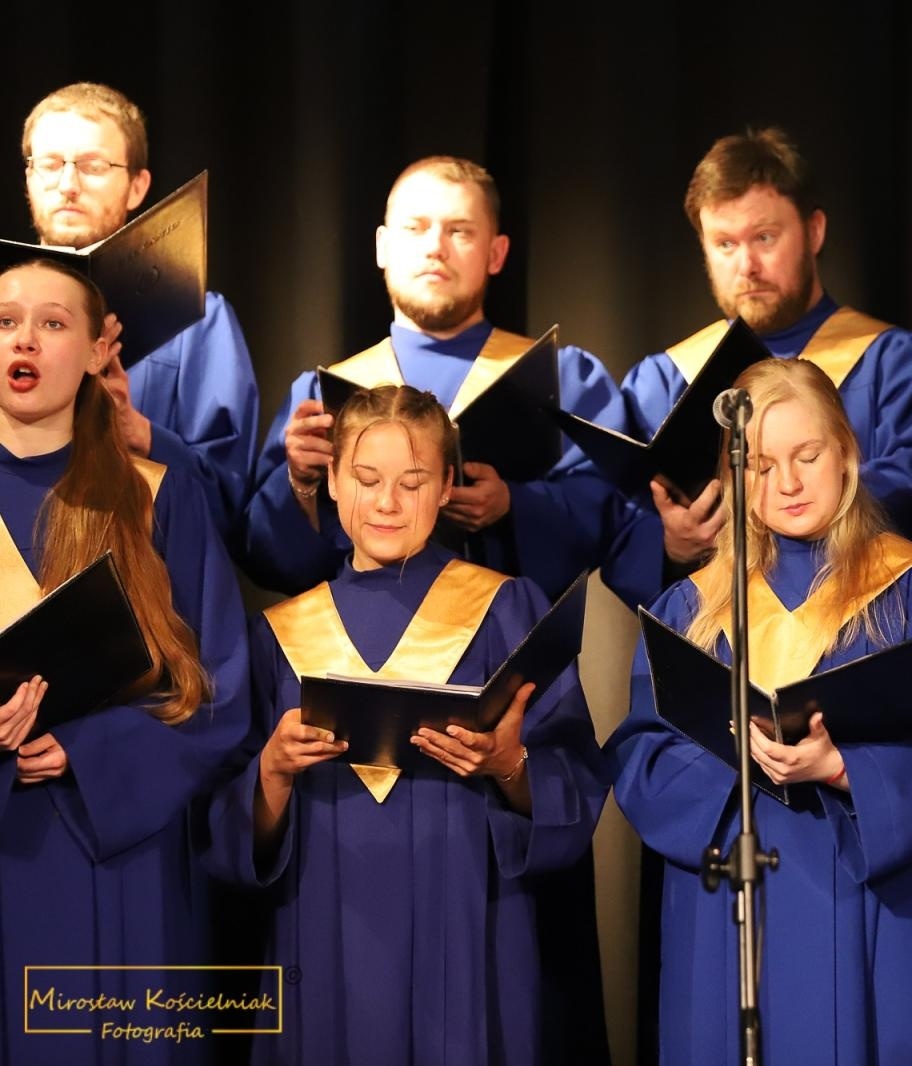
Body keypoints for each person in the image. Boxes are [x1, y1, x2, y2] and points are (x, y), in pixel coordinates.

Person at [607, 357, 912, 1065]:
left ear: (847, 454)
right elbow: (642, 753)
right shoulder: (691, 610)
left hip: (874, 897)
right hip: (734, 893)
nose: (785, 483)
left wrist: (846, 767)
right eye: (759, 464)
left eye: (806, 455)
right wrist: (734, 762)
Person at [207, 384, 607, 1065]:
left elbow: (574, 778)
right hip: (321, 917)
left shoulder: (506, 610)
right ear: (330, 480)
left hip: (470, 914)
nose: (387, 502)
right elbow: (224, 828)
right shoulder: (280, 635)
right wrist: (272, 770)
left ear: (447, 484)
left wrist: (509, 766)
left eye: (412, 481)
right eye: (365, 479)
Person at [0, 259, 249, 1065]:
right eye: (4, 322)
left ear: (97, 351)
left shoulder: (154, 495)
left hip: (116, 850)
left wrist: (88, 748)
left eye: (52, 322)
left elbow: (219, 689)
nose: (24, 340)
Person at [241, 154, 631, 605]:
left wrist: (513, 505)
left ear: (497, 253)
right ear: (382, 247)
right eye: (415, 228)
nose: (435, 248)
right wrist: (301, 483)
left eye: (460, 230)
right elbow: (268, 558)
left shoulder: (563, 379)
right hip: (363, 656)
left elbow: (611, 516)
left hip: (512, 650)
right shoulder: (323, 393)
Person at [603, 126, 912, 608]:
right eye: (725, 244)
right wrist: (671, 542)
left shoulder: (892, 360)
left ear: (814, 231)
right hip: (716, 640)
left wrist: (785, 506)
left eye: (765, 237)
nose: (747, 265)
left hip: (860, 621)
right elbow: (616, 528)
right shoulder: (662, 381)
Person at [20, 82, 260, 539]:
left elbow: (230, 507)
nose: (67, 184)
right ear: (29, 177)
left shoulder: (198, 320)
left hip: (151, 579)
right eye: (50, 164)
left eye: (92, 166)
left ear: (137, 186)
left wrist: (139, 431)